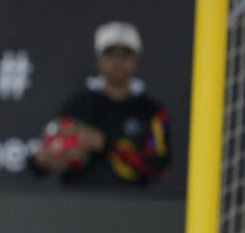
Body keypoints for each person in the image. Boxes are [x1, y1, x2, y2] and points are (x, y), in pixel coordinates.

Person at [29, 20, 171, 188]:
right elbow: (41, 164)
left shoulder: (152, 112)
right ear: (98, 61)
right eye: (110, 54)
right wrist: (46, 160)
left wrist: (104, 144)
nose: (118, 62)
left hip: (134, 206)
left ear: (138, 61)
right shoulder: (78, 106)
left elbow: (160, 167)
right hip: (79, 203)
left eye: (126, 54)